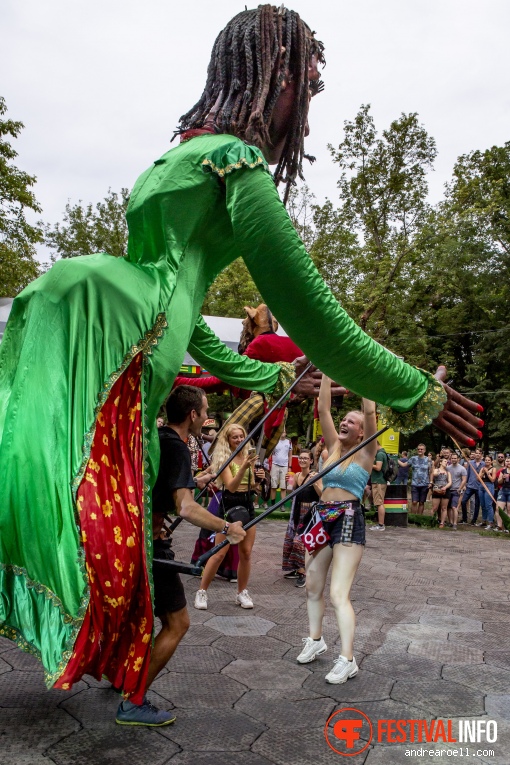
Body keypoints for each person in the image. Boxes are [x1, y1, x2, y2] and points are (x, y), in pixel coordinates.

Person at [0, 5, 483, 702]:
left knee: (47, 482)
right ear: (275, 79)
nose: (303, 115)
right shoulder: (234, 162)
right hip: (121, 344)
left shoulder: (173, 158)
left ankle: (112, 660)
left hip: (120, 316)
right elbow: (317, 312)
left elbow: (187, 320)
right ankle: (120, 673)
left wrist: (270, 375)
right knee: (95, 517)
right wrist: (418, 391)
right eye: (306, 92)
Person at [116, 385, 246, 725]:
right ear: (193, 415)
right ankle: (133, 700)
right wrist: (225, 526)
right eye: (204, 411)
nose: (206, 417)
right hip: (151, 547)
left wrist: (198, 478)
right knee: (177, 623)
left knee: (137, 618)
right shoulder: (176, 446)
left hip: (136, 542)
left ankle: (122, 679)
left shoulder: (159, 437)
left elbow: (165, 486)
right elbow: (186, 507)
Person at [296, 375, 374, 683]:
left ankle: (347, 659)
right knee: (312, 586)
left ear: (362, 432)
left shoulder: (366, 451)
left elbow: (370, 413)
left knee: (339, 593)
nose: (345, 423)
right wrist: (328, 370)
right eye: (345, 419)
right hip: (321, 518)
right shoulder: (332, 447)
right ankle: (315, 640)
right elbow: (324, 408)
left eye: (352, 422)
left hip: (348, 518)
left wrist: (364, 374)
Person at [194, 423, 264, 610]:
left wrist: (259, 478)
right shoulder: (226, 458)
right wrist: (244, 467)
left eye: (241, 436)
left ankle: (241, 592)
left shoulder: (249, 456)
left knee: (246, 553)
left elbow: (252, 486)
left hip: (247, 503)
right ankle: (202, 592)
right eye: (235, 437)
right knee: (219, 553)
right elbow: (231, 486)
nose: (239, 440)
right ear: (228, 440)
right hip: (229, 504)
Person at [282, 450, 321, 587]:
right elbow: (291, 491)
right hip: (297, 511)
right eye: (300, 458)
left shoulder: (315, 475)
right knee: (290, 541)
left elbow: (322, 495)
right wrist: (289, 482)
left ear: (311, 461)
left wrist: (315, 483)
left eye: (305, 458)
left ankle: (303, 573)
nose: (302, 460)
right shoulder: (297, 475)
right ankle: (295, 568)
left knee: (300, 542)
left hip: (309, 513)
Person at [460, 448, 485, 525]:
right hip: (470, 485)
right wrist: (465, 484)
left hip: (479, 487)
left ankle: (474, 520)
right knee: (463, 501)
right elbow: (467, 474)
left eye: (479, 453)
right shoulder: (470, 463)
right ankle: (464, 518)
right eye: (476, 453)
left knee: (477, 504)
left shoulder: (484, 464)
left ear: (481, 455)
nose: (477, 454)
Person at [409, 444, 433, 515]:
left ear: (424, 450)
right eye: (418, 449)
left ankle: (419, 518)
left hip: (425, 483)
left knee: (422, 502)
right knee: (414, 501)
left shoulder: (428, 460)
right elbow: (404, 465)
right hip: (414, 483)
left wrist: (431, 482)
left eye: (421, 449)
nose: (420, 450)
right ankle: (412, 517)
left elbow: (431, 472)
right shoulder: (413, 458)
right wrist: (396, 460)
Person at [270, 431, 293, 505]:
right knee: (273, 485)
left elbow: (290, 456)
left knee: (283, 486)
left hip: (285, 466)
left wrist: (290, 466)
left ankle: (282, 505)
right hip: (275, 464)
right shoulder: (275, 441)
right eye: (281, 431)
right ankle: (273, 504)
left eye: (284, 431)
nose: (283, 432)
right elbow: (270, 453)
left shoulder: (289, 442)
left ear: (286, 433)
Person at [369, 442, 388, 531]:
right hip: (378, 481)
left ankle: (381, 525)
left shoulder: (380, 454)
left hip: (378, 481)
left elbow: (378, 467)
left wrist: (368, 463)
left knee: (379, 502)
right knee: (378, 502)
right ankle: (380, 524)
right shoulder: (382, 452)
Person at [446, 452, 467, 530]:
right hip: (448, 490)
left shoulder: (462, 469)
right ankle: (450, 522)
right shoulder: (448, 468)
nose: (453, 460)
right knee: (448, 507)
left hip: (456, 490)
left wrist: (460, 488)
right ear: (450, 459)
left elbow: (464, 480)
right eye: (452, 458)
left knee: (454, 507)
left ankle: (455, 523)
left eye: (455, 458)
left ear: (458, 459)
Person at [433, 458, 452, 528]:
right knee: (435, 507)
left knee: (444, 507)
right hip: (437, 490)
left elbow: (450, 482)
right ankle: (431, 520)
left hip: (445, 490)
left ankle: (442, 522)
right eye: (445, 461)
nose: (446, 463)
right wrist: (439, 471)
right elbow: (434, 474)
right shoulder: (436, 470)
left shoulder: (448, 472)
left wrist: (445, 487)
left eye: (447, 462)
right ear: (440, 462)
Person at [478, 455, 496, 530]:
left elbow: (493, 480)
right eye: (486, 460)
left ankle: (490, 522)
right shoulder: (482, 468)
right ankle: (484, 521)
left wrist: (487, 472)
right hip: (482, 486)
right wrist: (482, 472)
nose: (487, 461)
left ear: (491, 461)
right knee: (483, 505)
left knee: (488, 505)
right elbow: (478, 478)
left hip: (489, 486)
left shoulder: (493, 469)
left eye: (489, 460)